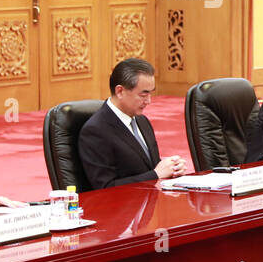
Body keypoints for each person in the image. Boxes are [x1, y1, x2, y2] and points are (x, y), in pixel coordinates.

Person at [78, 58, 188, 190]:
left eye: (151, 93)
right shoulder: (95, 130)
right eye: (143, 94)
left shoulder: (142, 121)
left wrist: (172, 169)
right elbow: (105, 187)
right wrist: (156, 174)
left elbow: (149, 166)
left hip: (150, 203)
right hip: (121, 208)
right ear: (120, 91)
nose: (149, 101)